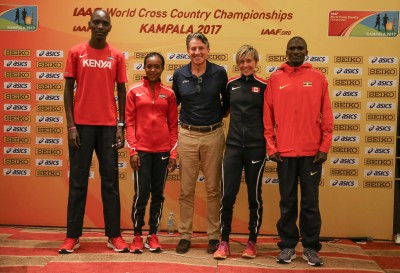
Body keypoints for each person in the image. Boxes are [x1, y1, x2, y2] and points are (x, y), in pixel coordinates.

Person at [59, 9, 129, 254]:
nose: (100, 26)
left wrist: (121, 126)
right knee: (78, 182)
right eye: (96, 22)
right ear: (89, 24)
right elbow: (68, 91)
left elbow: (121, 92)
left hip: (109, 128)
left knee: (110, 183)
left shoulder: (117, 55)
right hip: (81, 128)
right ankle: (72, 236)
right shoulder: (76, 52)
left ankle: (114, 236)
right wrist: (71, 125)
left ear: (110, 27)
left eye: (105, 23)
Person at [263, 36, 333, 266]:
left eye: (299, 48)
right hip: (284, 153)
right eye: (292, 48)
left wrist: (324, 147)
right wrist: (271, 147)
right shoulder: (275, 78)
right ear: (286, 51)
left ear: (306, 51)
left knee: (311, 203)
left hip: (312, 153)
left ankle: (311, 248)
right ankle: (288, 246)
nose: (295, 51)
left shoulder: (318, 78)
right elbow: (267, 118)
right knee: (288, 202)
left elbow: (328, 117)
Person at [172, 32, 229, 254]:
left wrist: (214, 119)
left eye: (201, 48)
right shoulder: (179, 74)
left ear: (208, 49)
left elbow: (227, 103)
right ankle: (185, 235)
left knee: (213, 189)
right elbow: (174, 103)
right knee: (186, 189)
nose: (197, 52)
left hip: (213, 134)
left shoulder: (219, 73)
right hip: (186, 135)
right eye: (193, 48)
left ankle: (214, 236)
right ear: (188, 51)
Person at [213, 45, 267, 260]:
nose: (246, 65)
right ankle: (224, 241)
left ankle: (252, 242)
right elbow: (224, 110)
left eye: (249, 61)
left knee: (254, 197)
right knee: (227, 196)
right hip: (233, 148)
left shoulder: (265, 86)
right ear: (238, 63)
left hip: (256, 148)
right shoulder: (230, 85)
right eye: (242, 62)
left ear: (256, 62)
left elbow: (271, 116)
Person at [125, 52, 178, 253]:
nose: (153, 70)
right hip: (142, 152)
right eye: (149, 66)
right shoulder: (134, 91)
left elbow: (173, 127)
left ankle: (153, 235)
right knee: (141, 195)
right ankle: (137, 235)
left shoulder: (169, 94)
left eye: (157, 66)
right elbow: (129, 123)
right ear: (144, 68)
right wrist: (133, 151)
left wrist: (173, 155)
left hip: (163, 152)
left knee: (158, 195)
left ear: (162, 68)